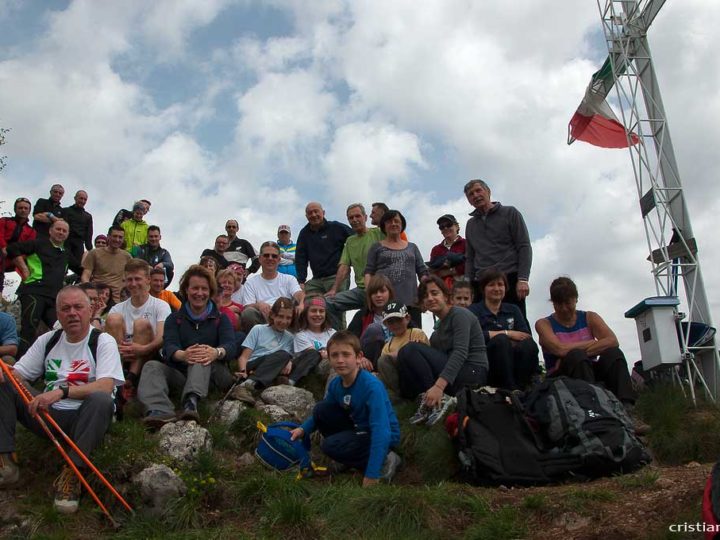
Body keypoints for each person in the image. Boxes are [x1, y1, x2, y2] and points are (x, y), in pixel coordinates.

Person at [0, 285, 123, 513]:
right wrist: (6, 373)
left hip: (84, 416)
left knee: (102, 400)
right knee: (5, 380)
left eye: (78, 307)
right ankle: (5, 462)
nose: (72, 313)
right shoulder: (48, 339)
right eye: (65, 309)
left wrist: (61, 392)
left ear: (89, 310)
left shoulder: (103, 341)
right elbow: (19, 373)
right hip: (48, 414)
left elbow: (106, 385)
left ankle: (72, 473)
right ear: (58, 315)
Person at [290, 331, 401, 486]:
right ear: (329, 358)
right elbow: (321, 414)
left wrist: (372, 474)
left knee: (329, 446)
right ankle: (350, 456)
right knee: (321, 410)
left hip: (384, 436)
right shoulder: (336, 384)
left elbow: (381, 430)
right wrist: (303, 430)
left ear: (358, 357)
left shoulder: (371, 387)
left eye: (346, 355)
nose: (340, 360)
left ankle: (387, 459)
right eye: (335, 355)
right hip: (359, 429)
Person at [138, 265, 236, 428]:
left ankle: (191, 403)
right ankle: (159, 410)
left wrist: (215, 352)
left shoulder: (221, 319)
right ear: (186, 290)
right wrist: (182, 355)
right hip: (182, 373)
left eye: (204, 289)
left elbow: (231, 346)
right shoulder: (174, 319)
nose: (199, 293)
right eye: (195, 288)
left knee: (201, 354)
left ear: (210, 291)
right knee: (151, 366)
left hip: (214, 374)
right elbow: (168, 346)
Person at [397, 276, 488, 423]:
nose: (430, 298)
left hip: (472, 372)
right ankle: (424, 402)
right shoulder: (436, 333)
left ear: (446, 296)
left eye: (434, 293)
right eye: (425, 296)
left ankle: (437, 400)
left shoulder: (460, 314)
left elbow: (460, 352)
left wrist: (438, 387)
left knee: (410, 349)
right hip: (455, 376)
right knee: (405, 353)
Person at [535, 276, 636, 406]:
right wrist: (592, 344)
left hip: (590, 368)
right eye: (559, 304)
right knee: (576, 356)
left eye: (568, 303)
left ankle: (627, 406)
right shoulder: (544, 324)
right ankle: (592, 406)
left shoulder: (590, 317)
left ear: (576, 299)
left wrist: (574, 351)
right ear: (553, 303)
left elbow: (612, 341)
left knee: (613, 354)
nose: (564, 308)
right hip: (563, 375)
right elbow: (559, 349)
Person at [7, 220, 82, 356]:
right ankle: (19, 369)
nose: (61, 232)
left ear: (68, 234)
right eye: (58, 229)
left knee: (61, 329)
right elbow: (12, 248)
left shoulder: (66, 252)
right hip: (33, 292)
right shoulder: (38, 243)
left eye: (64, 231)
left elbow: (80, 269)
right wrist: (23, 268)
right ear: (50, 231)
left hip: (55, 298)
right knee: (29, 328)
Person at [464, 179, 532, 318]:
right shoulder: (470, 224)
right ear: (469, 201)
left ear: (488, 192)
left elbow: (524, 246)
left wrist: (523, 278)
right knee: (481, 326)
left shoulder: (510, 213)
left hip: (510, 278)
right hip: (481, 282)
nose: (475, 195)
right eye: (471, 194)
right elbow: (470, 257)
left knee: (517, 322)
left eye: (478, 190)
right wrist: (467, 284)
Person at [105, 259, 170, 397]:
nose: (133, 284)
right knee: (113, 319)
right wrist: (120, 349)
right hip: (122, 355)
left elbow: (162, 337)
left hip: (149, 353)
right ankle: (119, 377)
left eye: (137, 279)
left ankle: (131, 379)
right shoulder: (118, 308)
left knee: (141, 323)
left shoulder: (160, 305)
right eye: (129, 280)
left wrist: (143, 349)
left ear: (148, 280)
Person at [468, 270, 538, 391]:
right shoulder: (473, 310)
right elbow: (475, 337)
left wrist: (496, 336)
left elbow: (524, 335)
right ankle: (509, 389)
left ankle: (523, 389)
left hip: (515, 361)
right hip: (488, 362)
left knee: (529, 345)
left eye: (500, 285)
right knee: (501, 341)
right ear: (483, 289)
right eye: (491, 285)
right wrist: (507, 333)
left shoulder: (513, 309)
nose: (497, 288)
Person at [365, 210, 428, 328]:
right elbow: (369, 272)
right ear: (383, 225)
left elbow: (422, 271)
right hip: (385, 303)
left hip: (411, 302)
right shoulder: (376, 247)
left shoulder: (412, 247)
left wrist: (425, 294)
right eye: (389, 221)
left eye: (396, 221)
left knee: (414, 338)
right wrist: (369, 295)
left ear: (402, 224)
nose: (393, 224)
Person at [325, 203, 384, 331]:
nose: (355, 220)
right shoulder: (350, 241)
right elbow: (344, 266)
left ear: (365, 217)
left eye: (358, 216)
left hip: (380, 289)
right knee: (328, 302)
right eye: (351, 218)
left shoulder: (378, 233)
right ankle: (338, 336)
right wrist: (334, 289)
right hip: (361, 291)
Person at [295, 202, 353, 306]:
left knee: (336, 308)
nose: (313, 215)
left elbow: (355, 239)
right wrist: (301, 281)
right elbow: (300, 258)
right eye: (310, 213)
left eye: (316, 211)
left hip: (336, 277)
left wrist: (351, 262)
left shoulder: (336, 227)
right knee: (302, 301)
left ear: (323, 212)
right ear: (306, 216)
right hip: (316, 280)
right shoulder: (304, 234)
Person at [240, 241, 304, 331]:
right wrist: (258, 305)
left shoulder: (289, 279)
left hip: (286, 319)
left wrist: (301, 304)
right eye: (266, 255)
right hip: (262, 320)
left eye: (274, 256)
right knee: (248, 313)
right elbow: (247, 306)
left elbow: (299, 294)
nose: (270, 258)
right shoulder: (250, 282)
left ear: (279, 260)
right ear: (260, 259)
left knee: (301, 309)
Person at [236, 297, 296, 390]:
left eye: (288, 318)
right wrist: (243, 371)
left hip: (272, 366)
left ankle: (254, 383)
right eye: (280, 316)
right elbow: (244, 357)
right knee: (283, 355)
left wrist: (289, 361)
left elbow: (286, 358)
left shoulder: (290, 338)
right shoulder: (258, 329)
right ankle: (249, 382)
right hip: (254, 364)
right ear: (272, 315)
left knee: (284, 356)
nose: (284, 321)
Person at [376, 302, 430, 397]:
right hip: (397, 380)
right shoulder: (387, 346)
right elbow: (385, 369)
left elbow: (427, 356)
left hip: (416, 377)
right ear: (386, 324)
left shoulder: (416, 333)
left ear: (407, 318)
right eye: (391, 322)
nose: (395, 324)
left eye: (398, 320)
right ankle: (399, 397)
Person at [348, 274, 395, 368]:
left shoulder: (399, 313)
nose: (378, 295)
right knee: (375, 329)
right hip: (367, 358)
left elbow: (412, 333)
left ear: (390, 293)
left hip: (391, 357)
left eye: (382, 291)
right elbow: (349, 341)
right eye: (374, 292)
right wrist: (359, 357)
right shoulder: (362, 315)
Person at [291, 296, 336, 386]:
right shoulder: (301, 335)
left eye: (321, 311)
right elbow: (314, 354)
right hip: (312, 369)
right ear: (306, 314)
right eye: (313, 311)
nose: (318, 314)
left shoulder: (332, 332)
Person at [81, 226, 132, 303]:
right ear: (108, 237)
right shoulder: (94, 253)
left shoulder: (127, 257)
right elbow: (85, 275)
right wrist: (90, 292)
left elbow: (132, 276)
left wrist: (123, 286)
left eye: (120, 237)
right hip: (96, 298)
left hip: (116, 300)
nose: (117, 240)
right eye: (114, 236)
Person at [0, 197, 36, 294]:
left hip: (15, 259)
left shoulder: (31, 231)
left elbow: (28, 249)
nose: (23, 210)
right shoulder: (4, 221)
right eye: (20, 208)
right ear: (15, 209)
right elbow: (0, 235)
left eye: (25, 208)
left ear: (29, 211)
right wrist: (3, 248)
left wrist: (17, 257)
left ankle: (23, 294)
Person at [428, 214, 465, 289]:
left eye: (449, 225)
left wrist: (447, 271)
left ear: (457, 227)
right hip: (443, 290)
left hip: (464, 288)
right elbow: (433, 272)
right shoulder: (435, 249)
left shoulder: (466, 243)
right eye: (442, 227)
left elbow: (470, 265)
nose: (445, 228)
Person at [62, 190, 93, 262]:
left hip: (79, 244)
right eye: (81, 198)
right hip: (66, 241)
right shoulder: (66, 211)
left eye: (85, 199)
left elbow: (89, 235)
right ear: (75, 198)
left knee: (79, 266)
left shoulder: (88, 216)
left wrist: (90, 250)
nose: (82, 201)